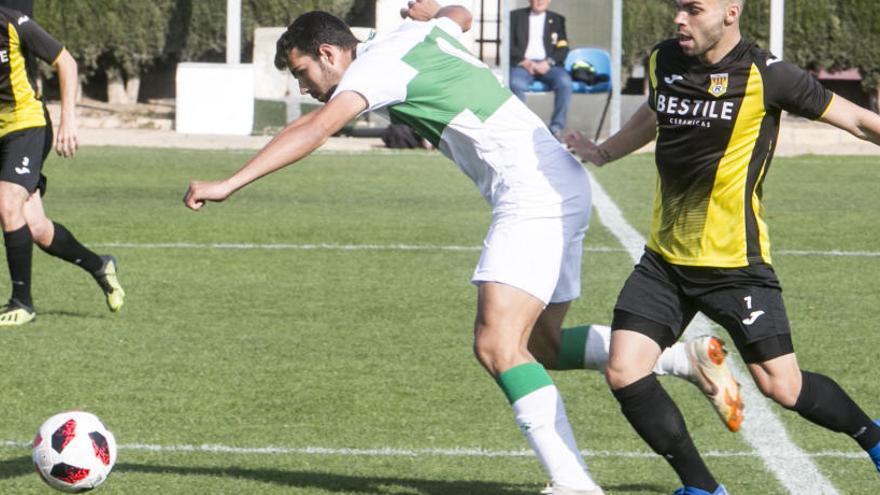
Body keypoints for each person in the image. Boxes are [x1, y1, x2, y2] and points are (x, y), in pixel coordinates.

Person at [183, 2, 740, 493]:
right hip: (558, 182)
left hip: (531, 194)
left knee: (498, 345)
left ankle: (573, 481)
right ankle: (677, 357)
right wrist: (434, 9)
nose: (304, 86)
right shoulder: (411, 37)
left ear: (329, 52)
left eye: (304, 72)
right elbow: (460, 16)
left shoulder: (374, 67)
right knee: (541, 346)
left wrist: (230, 182)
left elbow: (314, 128)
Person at [565, 0, 880, 493]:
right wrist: (604, 151)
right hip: (665, 262)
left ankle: (876, 441)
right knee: (625, 370)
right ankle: (703, 487)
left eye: (693, 9)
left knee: (783, 387)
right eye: (677, 8)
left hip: (736, 265)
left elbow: (859, 121)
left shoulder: (768, 75)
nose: (679, 19)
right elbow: (655, 111)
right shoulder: (662, 60)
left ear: (730, 13)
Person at [0, 5, 125, 325]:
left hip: (26, 124)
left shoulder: (12, 22)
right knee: (37, 227)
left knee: (7, 201)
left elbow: (65, 61)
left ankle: (21, 303)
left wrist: (68, 120)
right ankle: (100, 265)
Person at [509, 0, 572, 137]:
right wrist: (524, 62)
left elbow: (563, 48)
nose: (540, 1)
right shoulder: (515, 16)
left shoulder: (557, 19)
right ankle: (521, 128)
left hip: (548, 65)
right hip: (523, 65)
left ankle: (556, 128)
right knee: (515, 83)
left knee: (565, 82)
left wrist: (548, 63)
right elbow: (508, 44)